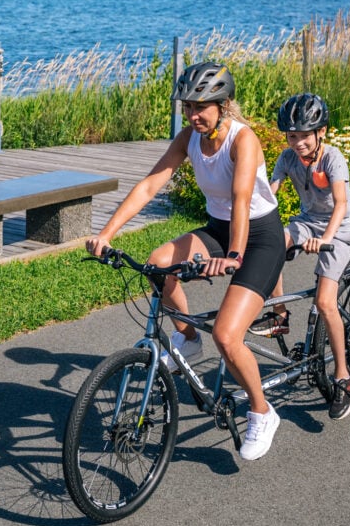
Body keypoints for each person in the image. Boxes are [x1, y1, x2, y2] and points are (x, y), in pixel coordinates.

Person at [85, 61, 287, 461]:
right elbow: (148, 185)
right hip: (218, 228)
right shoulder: (189, 138)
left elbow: (242, 200)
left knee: (227, 336)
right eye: (188, 107)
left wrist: (233, 256)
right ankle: (188, 340)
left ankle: (262, 411)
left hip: (261, 236)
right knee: (158, 263)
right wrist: (106, 234)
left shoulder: (242, 140)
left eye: (202, 107)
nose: (193, 115)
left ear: (223, 105)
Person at [248, 93, 350, 420]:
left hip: (337, 231)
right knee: (272, 245)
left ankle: (343, 376)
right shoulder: (287, 158)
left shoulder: (333, 159)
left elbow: (340, 203)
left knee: (325, 303)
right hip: (307, 222)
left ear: (321, 131)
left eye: (303, 136)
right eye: (291, 136)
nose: (297, 143)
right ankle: (280, 315)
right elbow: (268, 195)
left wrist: (325, 239)